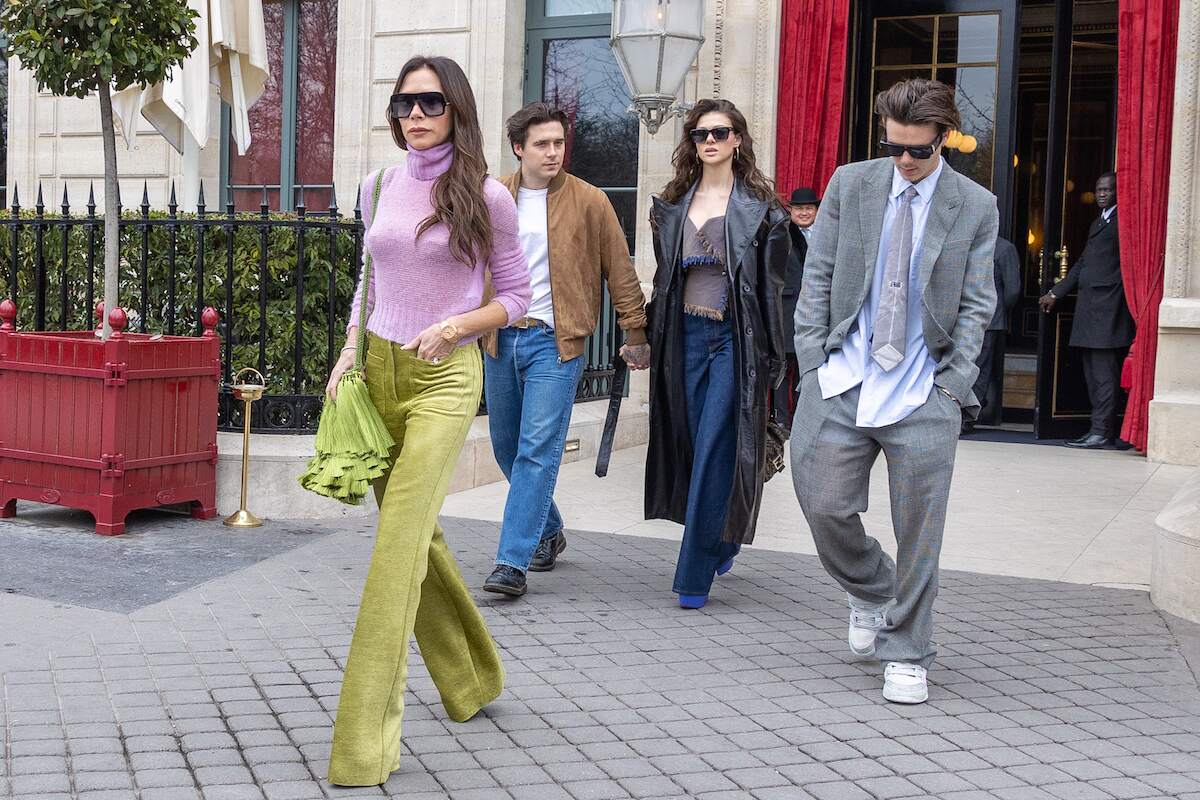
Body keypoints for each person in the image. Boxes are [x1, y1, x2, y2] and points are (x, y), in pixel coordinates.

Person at [323, 55, 531, 787]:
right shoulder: (378, 185)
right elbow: (367, 281)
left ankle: (362, 746)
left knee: (396, 550)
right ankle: (472, 678)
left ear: (457, 110)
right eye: (405, 101)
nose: (416, 113)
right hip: (378, 372)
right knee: (420, 540)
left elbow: (516, 297)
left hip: (445, 377)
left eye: (431, 101)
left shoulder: (486, 195)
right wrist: (347, 356)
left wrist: (456, 328)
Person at [790, 78, 998, 704]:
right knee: (823, 504)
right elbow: (819, 274)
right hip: (844, 376)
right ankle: (873, 589)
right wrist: (810, 363)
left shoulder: (974, 205)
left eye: (917, 151)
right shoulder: (850, 185)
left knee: (920, 530)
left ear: (944, 143)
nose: (904, 161)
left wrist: (954, 385)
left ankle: (908, 649)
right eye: (894, 147)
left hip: (922, 387)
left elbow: (976, 304)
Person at [481, 102, 650, 597]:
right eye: (542, 144)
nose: (553, 152)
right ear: (519, 149)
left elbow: (620, 270)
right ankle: (548, 529)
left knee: (536, 449)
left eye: (559, 143)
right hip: (500, 338)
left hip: (556, 343)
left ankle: (511, 561)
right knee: (507, 448)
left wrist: (635, 332)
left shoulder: (590, 201)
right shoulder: (494, 197)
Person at [644, 98, 790, 610]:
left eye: (720, 132)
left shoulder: (763, 211)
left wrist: (776, 361)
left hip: (735, 340)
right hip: (681, 339)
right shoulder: (670, 204)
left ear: (738, 140)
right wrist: (639, 334)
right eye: (701, 133)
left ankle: (693, 575)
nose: (710, 141)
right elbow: (664, 279)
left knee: (714, 449)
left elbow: (776, 291)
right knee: (688, 443)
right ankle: (723, 538)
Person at [1038, 172, 1133, 448]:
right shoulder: (1098, 223)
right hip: (1090, 311)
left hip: (1109, 310)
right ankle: (1096, 429)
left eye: (1108, 190)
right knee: (1092, 375)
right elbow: (1081, 264)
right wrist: (1056, 292)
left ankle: (1102, 431)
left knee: (1104, 377)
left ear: (1119, 192)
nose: (1102, 194)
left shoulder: (1124, 222)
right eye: (1099, 189)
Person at [963, 235, 1021, 434]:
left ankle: (967, 418)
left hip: (991, 321)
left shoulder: (1005, 248)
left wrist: (999, 312)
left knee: (980, 370)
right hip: (963, 319)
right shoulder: (969, 241)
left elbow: (1013, 290)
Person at [776, 186, 820, 426]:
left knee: (807, 367)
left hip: (815, 310)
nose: (804, 213)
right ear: (791, 210)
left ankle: (802, 418)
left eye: (809, 208)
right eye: (799, 208)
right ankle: (782, 420)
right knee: (784, 368)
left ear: (816, 210)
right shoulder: (781, 235)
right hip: (787, 309)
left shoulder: (825, 234)